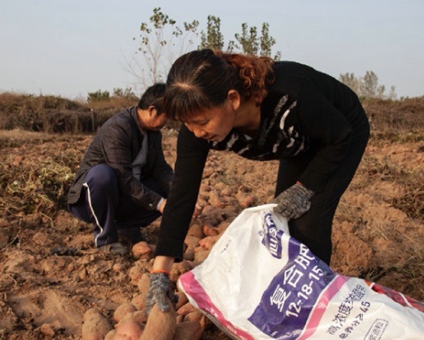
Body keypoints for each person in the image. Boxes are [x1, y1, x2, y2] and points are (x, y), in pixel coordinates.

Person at [145, 49, 370, 312]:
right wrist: (160, 273)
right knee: (283, 220)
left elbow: (340, 135)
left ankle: (314, 307)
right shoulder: (197, 130)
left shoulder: (291, 96)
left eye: (202, 122)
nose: (196, 132)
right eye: (188, 124)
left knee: (309, 220)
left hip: (340, 133)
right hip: (296, 143)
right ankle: (287, 294)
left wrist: (305, 188)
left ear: (232, 99)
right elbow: (182, 195)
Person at [67, 83, 174, 255]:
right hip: (93, 199)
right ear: (152, 110)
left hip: (125, 196)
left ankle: (127, 227)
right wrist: (160, 203)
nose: (167, 122)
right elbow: (123, 176)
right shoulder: (118, 128)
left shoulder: (154, 133)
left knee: (170, 188)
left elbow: (160, 168)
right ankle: (105, 239)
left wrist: (180, 195)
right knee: (102, 175)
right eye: (167, 116)